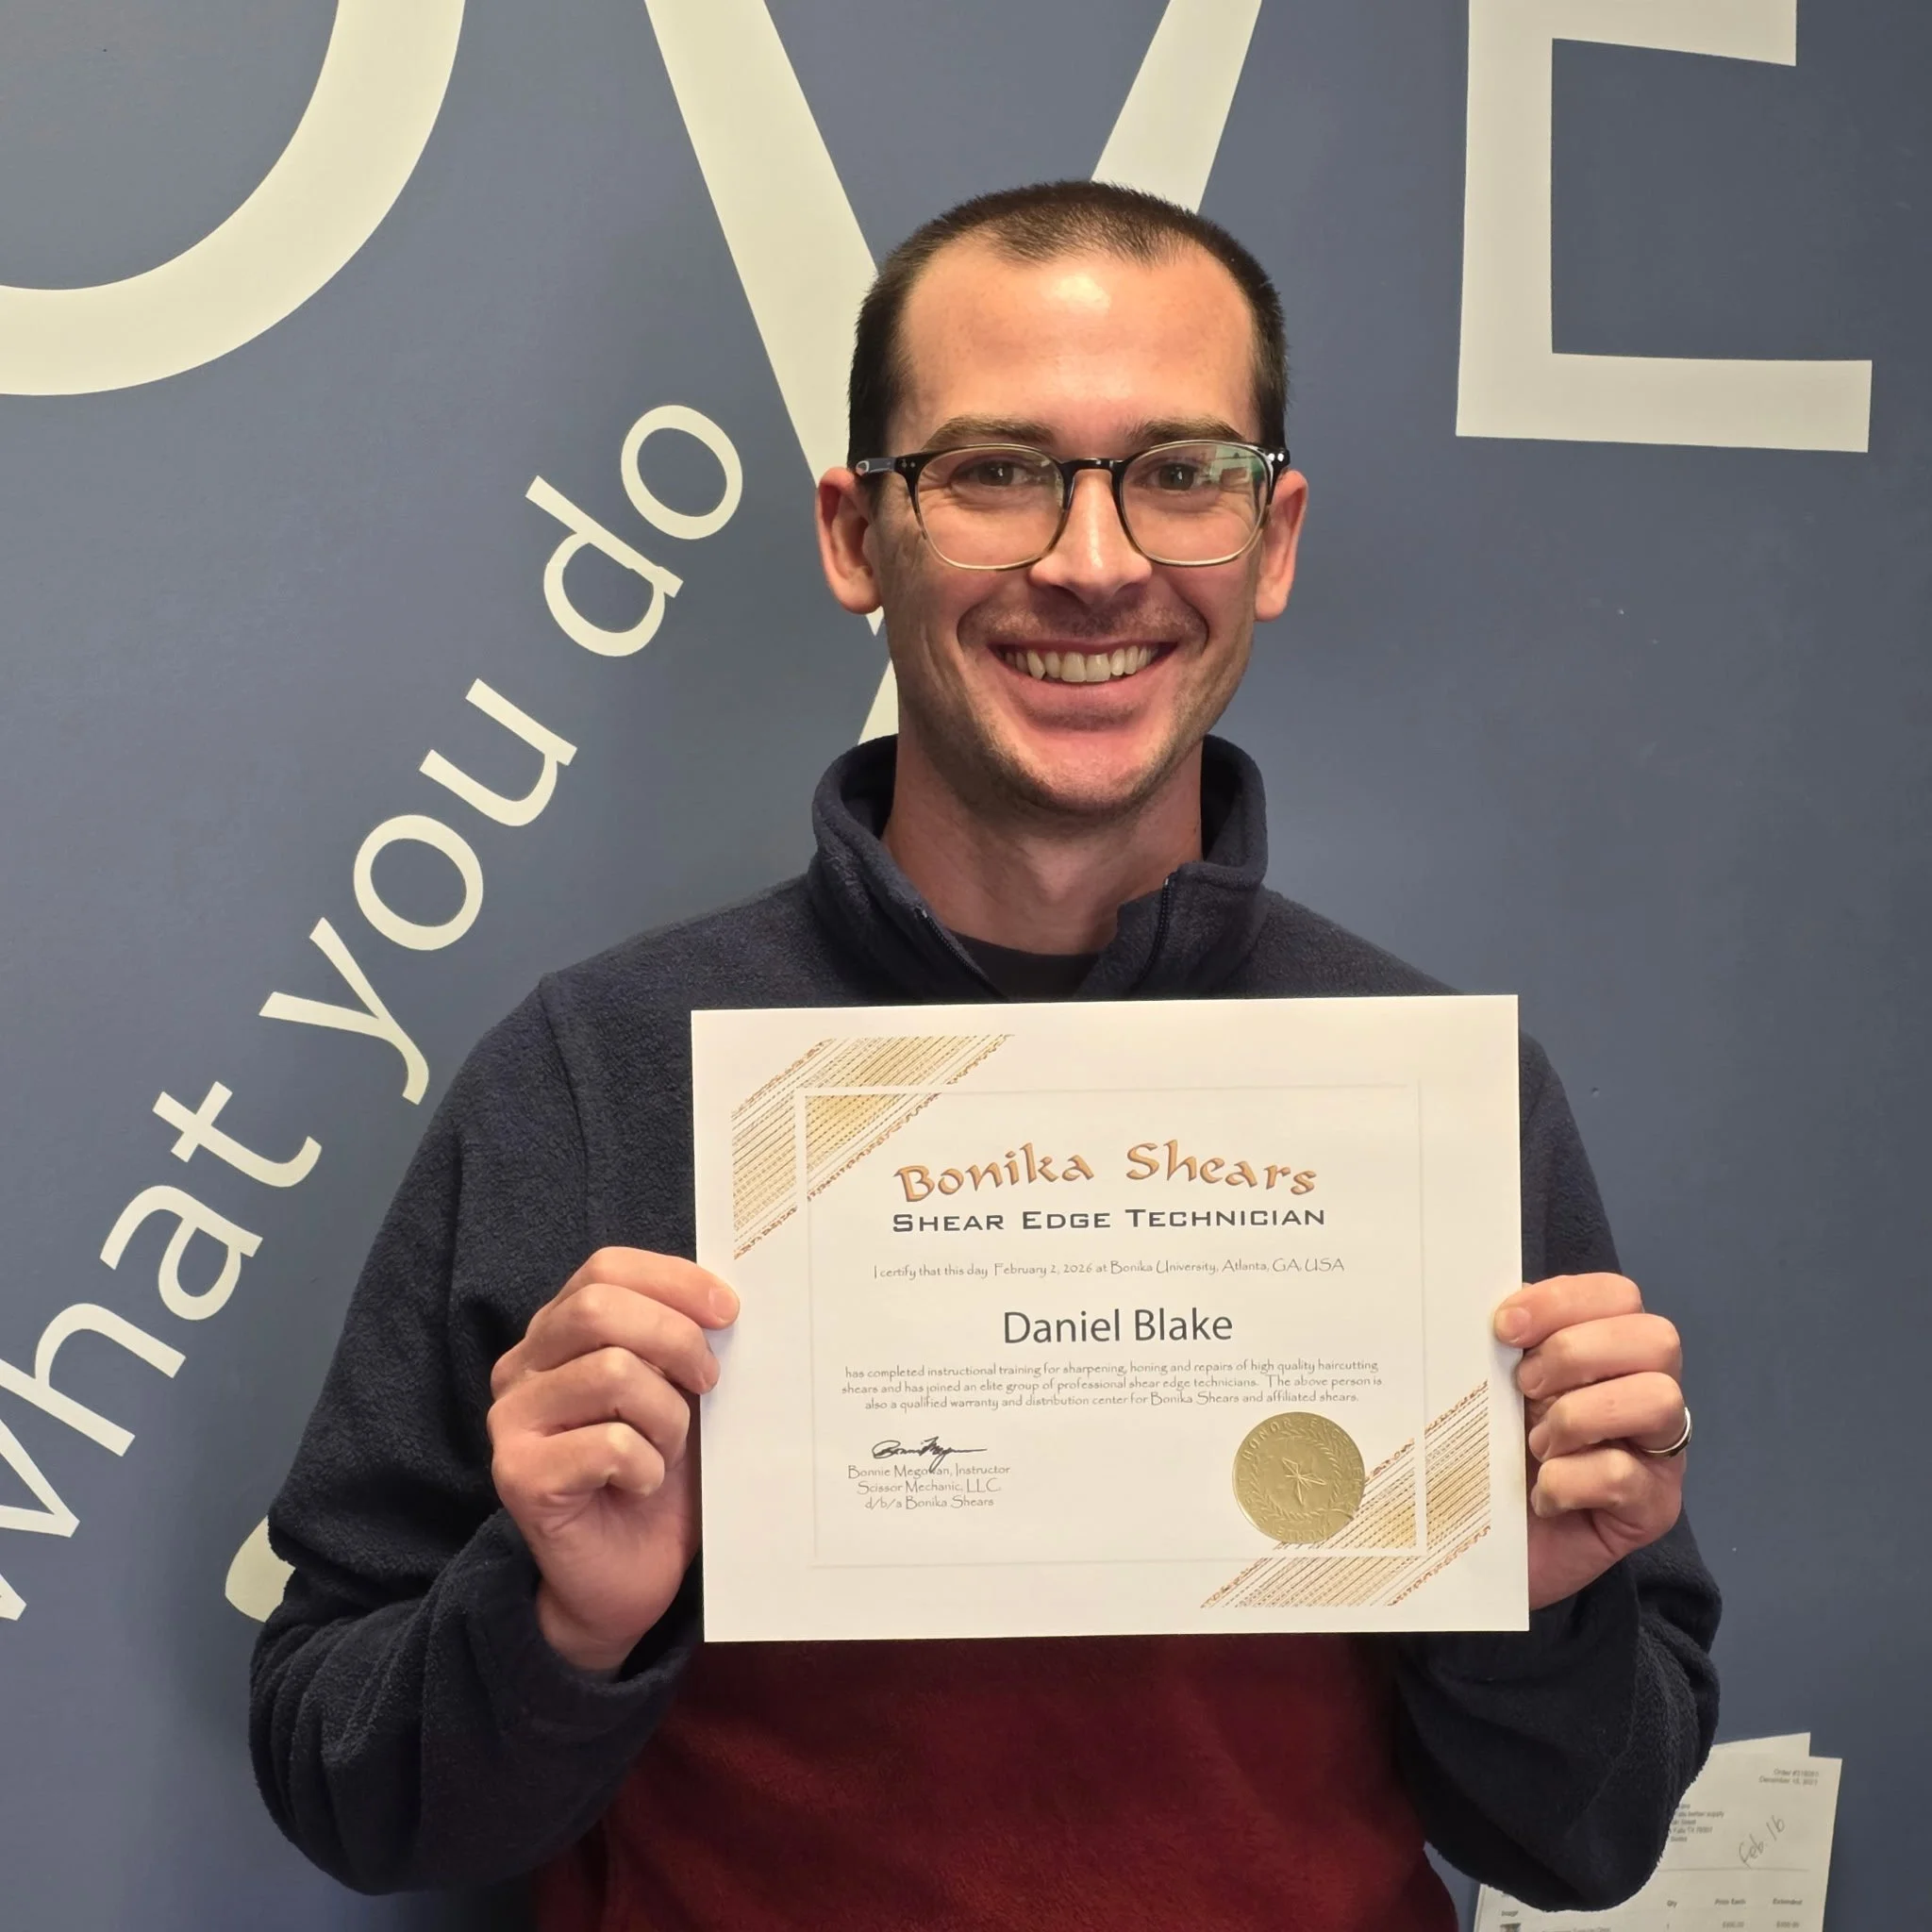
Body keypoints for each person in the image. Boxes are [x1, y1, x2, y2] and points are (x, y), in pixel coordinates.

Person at [251, 182, 1717, 1931]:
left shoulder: (1426, 1099)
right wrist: (561, 1616)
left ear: (1276, 536)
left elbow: (1593, 1840)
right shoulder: (596, 1070)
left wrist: (1532, 1613)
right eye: (996, 473)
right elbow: (346, 1784)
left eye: (1181, 473)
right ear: (858, 536)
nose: (1092, 563)